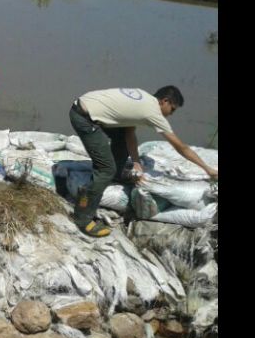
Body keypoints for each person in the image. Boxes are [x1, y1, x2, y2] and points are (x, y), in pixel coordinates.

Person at [69, 86, 218, 237]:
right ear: (165, 101)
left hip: (86, 105)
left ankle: (116, 173)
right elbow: (181, 147)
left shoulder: (144, 99)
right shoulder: (153, 113)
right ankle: (83, 217)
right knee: (105, 169)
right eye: (172, 109)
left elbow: (129, 133)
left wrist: (136, 162)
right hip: (84, 118)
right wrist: (207, 169)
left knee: (120, 137)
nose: (171, 114)